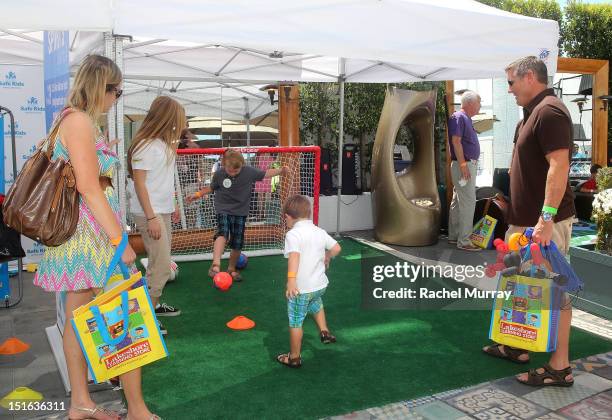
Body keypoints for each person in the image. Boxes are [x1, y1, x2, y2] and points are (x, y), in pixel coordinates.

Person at [33, 55, 159, 420]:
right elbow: (89, 187)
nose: (116, 98)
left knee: (78, 319)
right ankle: (135, 409)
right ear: (100, 86)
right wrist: (122, 242)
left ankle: (81, 404)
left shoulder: (75, 121)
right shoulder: (79, 123)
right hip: (92, 236)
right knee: (128, 316)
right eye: (116, 91)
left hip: (85, 234)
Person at [483, 56, 578, 387]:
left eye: (510, 83)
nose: (508, 90)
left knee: (555, 293)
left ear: (529, 78)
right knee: (522, 288)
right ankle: (516, 345)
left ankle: (560, 367)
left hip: (544, 225)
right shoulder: (527, 117)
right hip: (523, 225)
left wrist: (546, 219)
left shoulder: (550, 111)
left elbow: (559, 166)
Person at [128, 96, 186, 326]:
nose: (182, 125)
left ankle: (153, 306)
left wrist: (172, 206)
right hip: (149, 213)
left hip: (160, 211)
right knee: (162, 264)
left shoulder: (160, 143)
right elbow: (140, 184)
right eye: (179, 120)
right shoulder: (145, 145)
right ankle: (146, 319)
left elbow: (161, 179)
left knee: (158, 261)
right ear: (168, 118)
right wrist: (152, 216)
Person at [186, 149, 288, 281]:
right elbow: (211, 187)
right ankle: (215, 265)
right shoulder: (219, 174)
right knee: (223, 232)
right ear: (224, 164)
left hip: (240, 211)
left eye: (236, 170)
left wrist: (281, 170)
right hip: (223, 209)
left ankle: (231, 269)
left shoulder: (248, 172)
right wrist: (197, 195)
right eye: (230, 170)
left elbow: (265, 174)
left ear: (242, 165)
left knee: (237, 242)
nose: (233, 173)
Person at [275, 195, 342, 368]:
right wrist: (327, 256)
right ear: (308, 213)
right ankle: (324, 332)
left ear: (288, 217)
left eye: (286, 218)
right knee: (316, 304)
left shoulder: (293, 234)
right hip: (319, 286)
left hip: (301, 289)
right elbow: (336, 248)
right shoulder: (319, 231)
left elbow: (294, 257)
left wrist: (291, 281)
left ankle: (294, 357)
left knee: (296, 321)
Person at [447, 90, 482, 251]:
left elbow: (456, 142)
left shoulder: (463, 118)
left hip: (464, 164)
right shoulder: (459, 117)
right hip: (465, 164)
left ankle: (455, 236)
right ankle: (465, 241)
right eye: (478, 103)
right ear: (470, 103)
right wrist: (462, 165)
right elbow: (456, 142)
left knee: (458, 200)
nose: (480, 106)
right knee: (468, 202)